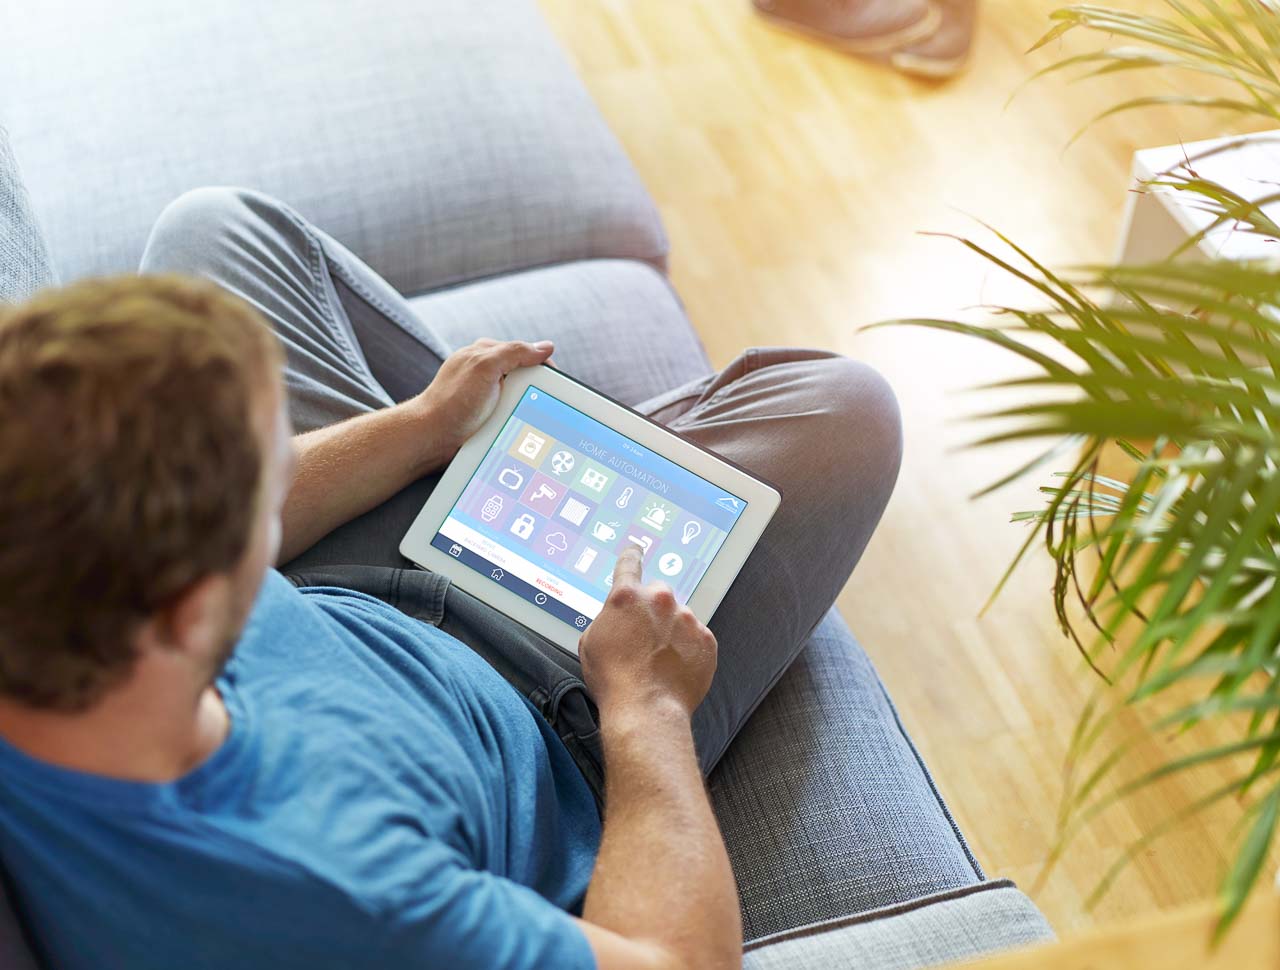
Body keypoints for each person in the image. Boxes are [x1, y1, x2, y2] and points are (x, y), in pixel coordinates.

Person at [0, 187, 902, 969]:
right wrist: (647, 707)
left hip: (337, 579)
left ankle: (529, 446)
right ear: (192, 605)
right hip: (563, 692)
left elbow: (253, 528)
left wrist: (423, 427)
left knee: (216, 227)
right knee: (848, 408)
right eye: (268, 482)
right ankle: (611, 454)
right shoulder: (337, 900)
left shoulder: (61, 606)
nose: (287, 475)